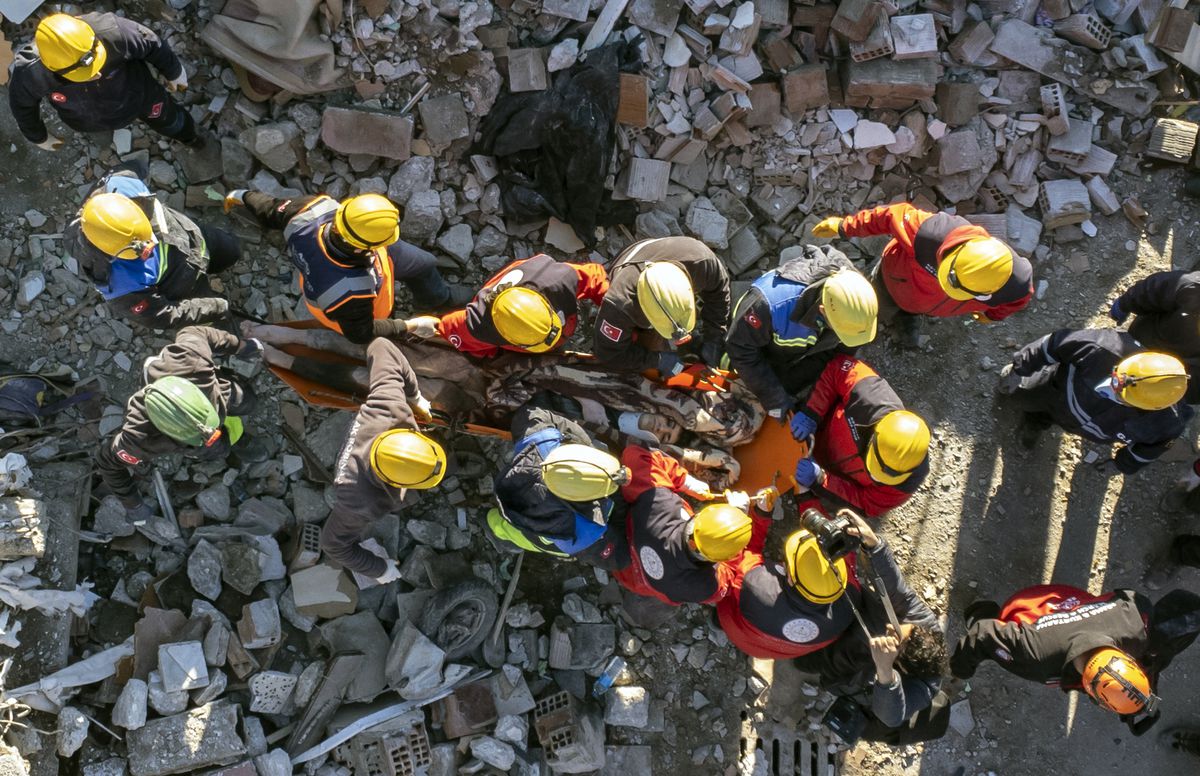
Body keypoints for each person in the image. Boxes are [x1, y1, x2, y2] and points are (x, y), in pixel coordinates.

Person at [224, 189, 470, 344]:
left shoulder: (311, 209)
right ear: (365, 247)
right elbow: (360, 333)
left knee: (424, 263)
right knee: (385, 327)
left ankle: (437, 298)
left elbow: (268, 208)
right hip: (351, 309)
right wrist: (409, 325)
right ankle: (403, 334)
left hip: (365, 263)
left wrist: (240, 195)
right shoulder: (347, 293)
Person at [951, 584, 1200, 734]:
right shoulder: (1036, 658)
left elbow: (1131, 597)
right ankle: (978, 608)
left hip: (1069, 604)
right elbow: (983, 636)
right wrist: (959, 671)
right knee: (992, 628)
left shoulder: (1134, 621)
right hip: (1031, 606)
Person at [794, 513, 951, 745]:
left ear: (902, 664)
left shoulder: (924, 688)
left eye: (893, 636)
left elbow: (892, 717)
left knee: (801, 661)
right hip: (853, 612)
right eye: (899, 627)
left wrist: (885, 672)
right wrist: (874, 545)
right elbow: (896, 588)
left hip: (842, 665)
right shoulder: (923, 623)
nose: (890, 626)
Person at [96, 326, 261, 520]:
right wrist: (133, 504)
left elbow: (195, 331)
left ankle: (229, 420)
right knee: (216, 448)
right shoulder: (140, 437)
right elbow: (107, 463)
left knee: (247, 401)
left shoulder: (191, 362)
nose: (208, 433)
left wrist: (241, 346)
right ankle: (236, 441)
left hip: (213, 391)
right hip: (193, 413)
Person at [812, 203, 1032, 347]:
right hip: (891, 283)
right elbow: (888, 216)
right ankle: (870, 322)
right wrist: (844, 226)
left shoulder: (1016, 285)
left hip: (927, 305)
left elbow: (1017, 302)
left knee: (909, 312)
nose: (947, 287)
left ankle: (908, 317)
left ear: (991, 289)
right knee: (876, 306)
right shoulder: (929, 234)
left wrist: (993, 315)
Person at [320, 338, 441, 581]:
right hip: (356, 485)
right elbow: (332, 545)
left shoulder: (387, 406)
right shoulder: (359, 501)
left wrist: (414, 396)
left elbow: (381, 345)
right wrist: (378, 569)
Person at [65, 164, 241, 329]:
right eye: (137, 249)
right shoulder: (120, 284)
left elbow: (133, 167)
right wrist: (217, 307)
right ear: (111, 251)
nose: (150, 244)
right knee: (217, 322)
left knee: (232, 250)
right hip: (183, 284)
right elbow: (164, 315)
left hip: (193, 236)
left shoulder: (121, 183)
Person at [997, 329, 1193, 474]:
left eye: (1120, 394)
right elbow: (1052, 345)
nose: (1110, 387)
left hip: (1082, 424)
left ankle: (1039, 423)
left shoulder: (1167, 424)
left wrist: (1121, 465)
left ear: (1148, 407)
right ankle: (1034, 420)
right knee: (1020, 397)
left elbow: (1147, 451)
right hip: (1054, 391)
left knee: (1054, 417)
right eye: (1116, 377)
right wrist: (1019, 370)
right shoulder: (1103, 346)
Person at [8, 13, 203, 150]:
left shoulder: (113, 31)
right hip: (87, 120)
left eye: (96, 64)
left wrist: (174, 71)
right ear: (52, 66)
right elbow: (21, 106)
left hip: (141, 97)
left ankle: (190, 138)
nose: (96, 75)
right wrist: (38, 136)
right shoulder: (31, 72)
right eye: (85, 73)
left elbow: (151, 43)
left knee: (170, 120)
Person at [725, 244, 878, 415]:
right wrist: (774, 398)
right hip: (752, 345)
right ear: (822, 310)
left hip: (794, 353)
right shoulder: (770, 304)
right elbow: (741, 349)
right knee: (741, 380)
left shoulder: (856, 303)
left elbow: (837, 354)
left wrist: (801, 400)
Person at [613, 444, 772, 607]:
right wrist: (750, 518)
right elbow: (730, 574)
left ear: (700, 516)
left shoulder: (658, 504)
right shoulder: (705, 586)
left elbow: (635, 454)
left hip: (625, 562)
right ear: (723, 558)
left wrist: (684, 481)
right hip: (635, 579)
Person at [487, 406, 632, 570]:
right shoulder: (585, 531)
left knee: (503, 524)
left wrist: (575, 438)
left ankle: (492, 522)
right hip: (548, 533)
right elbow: (620, 559)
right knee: (526, 536)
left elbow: (529, 414)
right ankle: (494, 525)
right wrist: (621, 501)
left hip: (515, 495)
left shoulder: (543, 441)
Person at [789, 355, 931, 518]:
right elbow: (838, 369)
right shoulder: (869, 395)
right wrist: (812, 412)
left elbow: (866, 503)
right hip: (811, 431)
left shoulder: (906, 483)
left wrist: (821, 480)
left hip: (833, 478)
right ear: (875, 437)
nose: (875, 475)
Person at [717, 506, 864, 659]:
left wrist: (760, 515)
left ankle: (718, 620)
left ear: (790, 579)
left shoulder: (755, 585)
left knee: (729, 584)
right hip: (780, 652)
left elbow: (748, 550)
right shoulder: (849, 605)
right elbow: (843, 551)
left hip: (737, 630)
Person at [406, 254, 608, 358]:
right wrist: (491, 355)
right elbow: (448, 333)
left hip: (535, 278)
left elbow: (595, 276)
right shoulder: (475, 326)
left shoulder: (559, 278)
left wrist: (613, 309)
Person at [592, 236, 731, 376]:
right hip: (627, 266)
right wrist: (656, 360)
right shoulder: (619, 305)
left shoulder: (702, 262)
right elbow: (608, 354)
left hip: (657, 252)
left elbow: (719, 294)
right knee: (646, 353)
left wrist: (714, 338)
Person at [1110, 270, 1200, 401]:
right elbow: (1155, 289)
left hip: (1164, 378)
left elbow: (1195, 387)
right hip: (1140, 338)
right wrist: (1125, 303)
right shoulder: (1193, 288)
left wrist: (1173, 396)